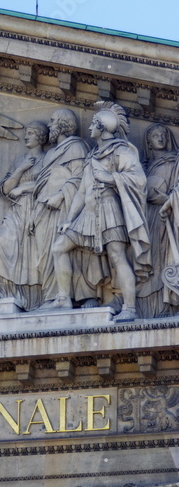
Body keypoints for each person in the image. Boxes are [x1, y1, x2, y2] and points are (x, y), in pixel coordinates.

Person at [50, 103, 150, 323]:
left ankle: (130, 308)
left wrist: (110, 178)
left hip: (110, 209)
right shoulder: (92, 155)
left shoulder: (121, 151)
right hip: (88, 212)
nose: (89, 129)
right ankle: (64, 298)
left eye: (93, 125)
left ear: (102, 128)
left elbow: (138, 179)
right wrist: (69, 220)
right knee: (58, 247)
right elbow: (81, 192)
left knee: (117, 255)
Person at [30, 109, 92, 306]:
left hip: (65, 205)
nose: (49, 125)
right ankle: (52, 297)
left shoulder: (76, 147)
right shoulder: (51, 153)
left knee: (69, 251)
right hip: (44, 208)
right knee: (46, 253)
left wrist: (59, 195)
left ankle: (79, 297)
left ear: (64, 124)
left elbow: (80, 178)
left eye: (52, 121)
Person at [0, 121, 49, 310]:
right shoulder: (19, 160)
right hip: (16, 211)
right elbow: (6, 189)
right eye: (26, 132)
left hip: (38, 211)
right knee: (0, 242)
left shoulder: (49, 159)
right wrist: (20, 169)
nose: (26, 136)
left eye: (31, 132)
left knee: (35, 254)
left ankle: (37, 298)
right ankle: (4, 291)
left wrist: (23, 187)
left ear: (41, 137)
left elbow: (50, 184)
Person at [137, 124, 178, 317]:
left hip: (168, 216)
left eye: (164, 135)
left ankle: (167, 304)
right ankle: (149, 308)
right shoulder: (142, 168)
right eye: (155, 135)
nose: (160, 138)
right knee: (150, 261)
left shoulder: (176, 161)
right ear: (148, 142)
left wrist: (170, 200)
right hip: (148, 218)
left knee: (164, 258)